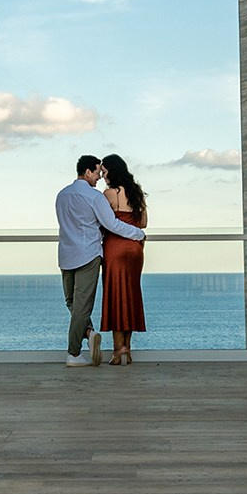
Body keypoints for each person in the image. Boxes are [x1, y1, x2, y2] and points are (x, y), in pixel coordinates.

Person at [55, 154, 146, 367]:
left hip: (66, 254)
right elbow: (112, 225)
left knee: (71, 301)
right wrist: (138, 234)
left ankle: (86, 335)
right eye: (97, 172)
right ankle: (75, 351)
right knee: (82, 305)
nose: (99, 177)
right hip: (88, 254)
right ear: (88, 172)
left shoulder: (62, 195)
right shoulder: (95, 197)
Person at [97, 153, 147, 365]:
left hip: (115, 247)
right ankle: (128, 348)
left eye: (105, 171)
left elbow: (104, 222)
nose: (103, 175)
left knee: (116, 296)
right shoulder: (137, 193)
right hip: (135, 249)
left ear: (113, 171)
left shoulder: (109, 194)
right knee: (131, 295)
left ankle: (118, 350)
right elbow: (143, 223)